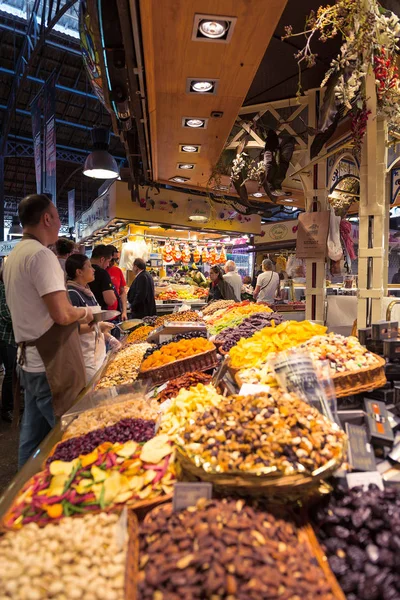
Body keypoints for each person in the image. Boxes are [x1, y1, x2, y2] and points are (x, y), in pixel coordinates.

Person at [4, 194, 92, 467]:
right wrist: (87, 312)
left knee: (31, 440)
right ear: (46, 218)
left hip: (28, 361)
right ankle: (74, 495)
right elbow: (63, 313)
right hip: (50, 364)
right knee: (72, 435)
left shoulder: (13, 256)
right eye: (58, 218)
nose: (59, 224)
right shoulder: (42, 255)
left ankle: (20, 498)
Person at [66, 254, 119, 383]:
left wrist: (110, 339)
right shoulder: (72, 294)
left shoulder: (88, 292)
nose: (94, 269)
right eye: (89, 266)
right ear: (79, 272)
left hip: (97, 353)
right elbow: (73, 329)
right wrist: (98, 327)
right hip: (85, 357)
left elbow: (96, 322)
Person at [0, 270, 17, 423]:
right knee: (10, 373)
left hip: (11, 338)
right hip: (7, 338)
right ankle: (7, 409)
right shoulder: (4, 289)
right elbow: (6, 314)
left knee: (12, 373)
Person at [89, 245, 117, 310]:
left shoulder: (82, 270)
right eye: (108, 261)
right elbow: (110, 301)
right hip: (98, 313)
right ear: (102, 259)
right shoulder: (102, 273)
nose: (108, 265)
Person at [107, 245, 128, 321]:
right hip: (102, 316)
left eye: (116, 260)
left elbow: (122, 292)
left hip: (116, 315)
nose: (113, 263)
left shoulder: (117, 271)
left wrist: (124, 311)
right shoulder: (98, 272)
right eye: (112, 260)